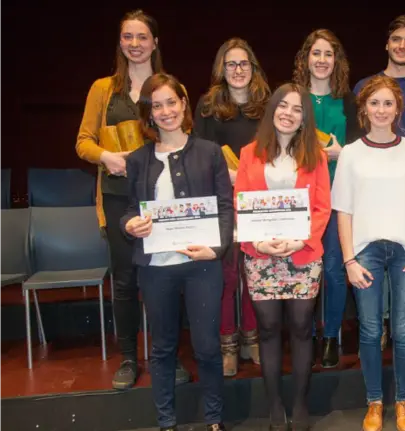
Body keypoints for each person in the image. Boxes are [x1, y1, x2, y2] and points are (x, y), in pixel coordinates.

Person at [75, 9, 188, 390]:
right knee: (124, 281)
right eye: (128, 37)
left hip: (162, 197)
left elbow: (182, 139)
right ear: (120, 42)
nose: (135, 44)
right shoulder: (102, 89)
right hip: (117, 194)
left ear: (155, 42)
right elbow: (82, 142)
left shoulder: (170, 88)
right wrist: (105, 156)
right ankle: (127, 358)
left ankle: (167, 357)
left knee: (163, 277)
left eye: (142, 37)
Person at [121, 73, 233, 431]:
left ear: (184, 104)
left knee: (207, 348)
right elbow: (127, 209)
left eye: (172, 102)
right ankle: (166, 421)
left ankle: (214, 419)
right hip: (156, 266)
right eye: (157, 105)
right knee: (163, 348)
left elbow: (226, 208)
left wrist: (216, 249)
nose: (166, 111)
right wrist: (129, 224)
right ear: (149, 113)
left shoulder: (209, 153)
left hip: (202, 264)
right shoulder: (137, 159)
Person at [333, 75, 405, 431]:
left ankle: (402, 401)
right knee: (371, 331)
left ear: (397, 108)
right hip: (365, 253)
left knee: (404, 331)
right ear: (364, 108)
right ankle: (374, 401)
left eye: (388, 103)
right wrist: (349, 261)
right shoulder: (351, 155)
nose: (381, 110)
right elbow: (343, 211)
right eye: (375, 103)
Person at [234, 83, 331, 430]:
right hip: (261, 255)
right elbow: (240, 202)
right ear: (272, 109)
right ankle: (275, 406)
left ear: (305, 117)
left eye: (297, 108)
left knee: (303, 329)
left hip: (302, 255)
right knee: (270, 329)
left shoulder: (315, 155)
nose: (288, 113)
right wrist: (259, 243)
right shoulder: (249, 153)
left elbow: (322, 207)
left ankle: (301, 405)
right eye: (283, 106)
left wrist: (299, 239)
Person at [353, 14, 405, 362]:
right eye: (397, 39)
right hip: (371, 194)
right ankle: (381, 328)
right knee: (374, 260)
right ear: (387, 43)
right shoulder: (364, 87)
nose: (402, 46)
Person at [194, 37, 271, 376]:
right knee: (226, 274)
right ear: (221, 69)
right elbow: (200, 151)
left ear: (253, 68)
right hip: (222, 196)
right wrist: (231, 175)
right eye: (231, 64)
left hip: (257, 197)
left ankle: (252, 339)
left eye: (244, 64)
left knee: (253, 270)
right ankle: (228, 343)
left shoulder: (268, 104)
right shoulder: (208, 104)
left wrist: (249, 176)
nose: (238, 70)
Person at [292, 28, 364, 368]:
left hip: (338, 198)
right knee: (299, 265)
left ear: (337, 61)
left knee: (335, 270)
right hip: (299, 198)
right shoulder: (293, 98)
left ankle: (331, 335)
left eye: (328, 54)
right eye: (316, 53)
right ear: (306, 59)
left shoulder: (349, 100)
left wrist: (342, 153)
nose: (322, 60)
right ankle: (301, 335)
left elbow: (362, 150)